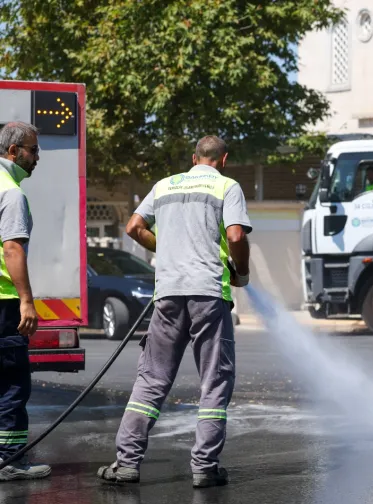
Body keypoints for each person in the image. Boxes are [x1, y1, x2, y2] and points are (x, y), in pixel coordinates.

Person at [97, 136, 252, 487]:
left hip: (167, 294)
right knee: (214, 381)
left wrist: (165, 247)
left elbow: (133, 227)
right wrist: (241, 274)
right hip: (207, 294)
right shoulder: (227, 186)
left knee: (152, 379)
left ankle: (127, 463)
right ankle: (204, 468)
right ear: (223, 160)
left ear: (194, 158)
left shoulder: (164, 186)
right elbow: (236, 236)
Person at [0, 122, 50, 481]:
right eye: (33, 150)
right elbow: (12, 248)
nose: (37, 158)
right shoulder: (11, 193)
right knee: (12, 381)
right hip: (3, 303)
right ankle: (10, 460)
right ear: (13, 151)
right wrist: (26, 301)